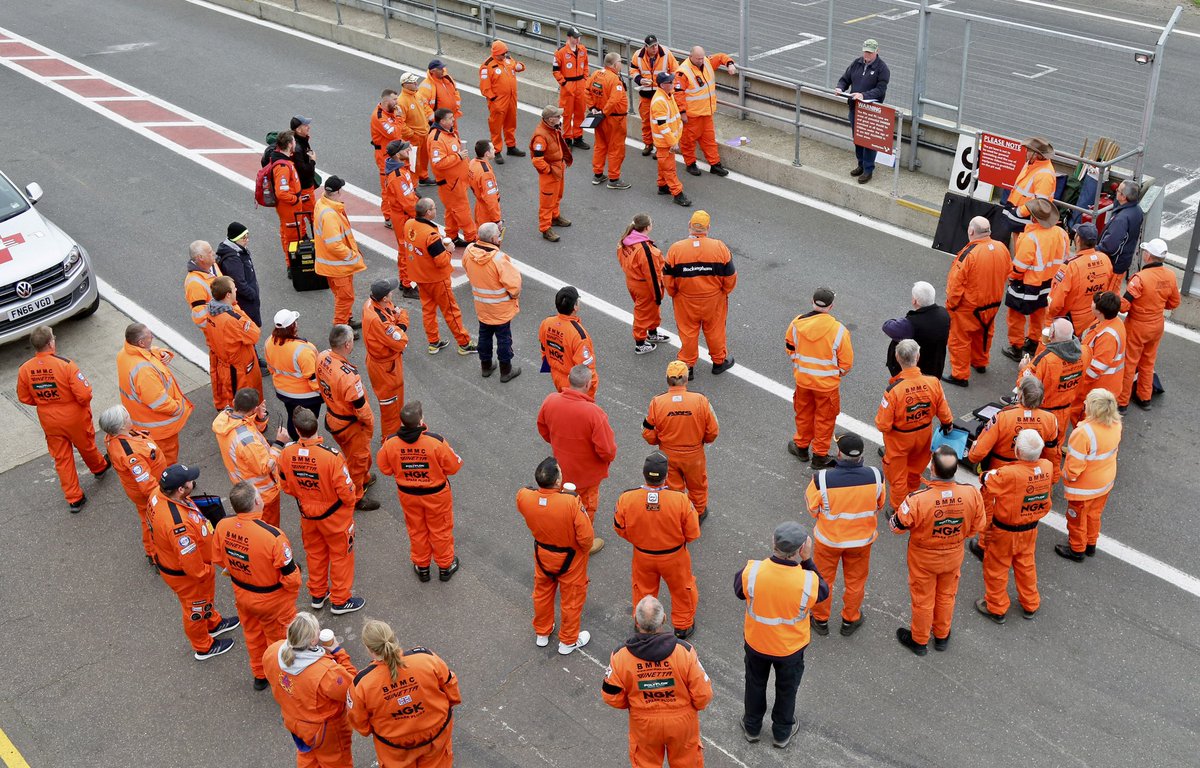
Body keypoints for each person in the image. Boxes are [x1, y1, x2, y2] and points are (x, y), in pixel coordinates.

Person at [734, 521, 827, 749]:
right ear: (800, 550)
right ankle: (781, 733)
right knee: (787, 689)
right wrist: (808, 560)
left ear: (773, 543)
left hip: (757, 643)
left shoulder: (753, 571)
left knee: (755, 684)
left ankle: (752, 727)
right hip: (790, 649)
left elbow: (738, 590)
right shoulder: (808, 580)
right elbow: (823, 593)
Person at [888, 447, 985, 655]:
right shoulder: (971, 493)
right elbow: (978, 526)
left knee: (923, 599)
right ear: (956, 469)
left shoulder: (917, 499)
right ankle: (941, 635)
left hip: (923, 557)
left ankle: (919, 640)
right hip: (954, 554)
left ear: (932, 467)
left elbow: (895, 527)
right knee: (947, 595)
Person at [279, 407, 369, 618]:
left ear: (297, 431)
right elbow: (347, 491)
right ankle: (340, 599)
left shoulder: (287, 453)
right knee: (341, 556)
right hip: (335, 518)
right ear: (316, 427)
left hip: (308, 516)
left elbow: (286, 485)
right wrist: (347, 507)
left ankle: (318, 595)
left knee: (315, 554)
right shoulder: (332, 457)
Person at [602, 595, 713, 766]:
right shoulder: (685, 651)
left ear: (636, 621)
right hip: (682, 723)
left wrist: (636, 704)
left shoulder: (620, 656)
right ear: (664, 619)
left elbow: (611, 695)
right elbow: (703, 694)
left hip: (644, 723)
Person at [212, 481, 302, 690]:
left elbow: (218, 559)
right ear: (256, 501)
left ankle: (260, 675)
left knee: (252, 634)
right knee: (280, 641)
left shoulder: (223, 526)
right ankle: (283, 681)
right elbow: (291, 579)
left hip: (243, 594)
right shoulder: (273, 536)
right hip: (272, 601)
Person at [148, 463, 240, 660]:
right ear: (181, 489)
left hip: (180, 565)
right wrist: (205, 572)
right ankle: (203, 646)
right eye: (189, 481)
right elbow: (190, 562)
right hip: (189, 575)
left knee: (203, 601)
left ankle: (213, 623)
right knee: (195, 608)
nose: (193, 482)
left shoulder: (160, 493)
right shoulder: (177, 525)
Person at [17, 325, 110, 513]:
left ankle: (74, 498)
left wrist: (46, 402)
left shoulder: (25, 369)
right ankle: (99, 468)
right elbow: (84, 395)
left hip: (48, 418)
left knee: (62, 457)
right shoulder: (65, 365)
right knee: (86, 445)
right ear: (50, 342)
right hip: (73, 415)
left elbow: (24, 397)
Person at [964, 377, 1058, 560]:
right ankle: (1018, 546)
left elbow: (977, 453)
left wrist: (972, 453)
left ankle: (985, 546)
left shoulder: (1003, 416)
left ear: (1021, 394)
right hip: (1031, 472)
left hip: (1000, 470)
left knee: (990, 510)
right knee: (1023, 509)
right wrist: (1051, 479)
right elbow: (1052, 454)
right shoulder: (1050, 420)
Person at [349, 619, 462, 766]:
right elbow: (450, 686)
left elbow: (360, 723)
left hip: (395, 747)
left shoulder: (362, 684)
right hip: (437, 733)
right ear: (393, 637)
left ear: (368, 648)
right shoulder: (425, 658)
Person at [614, 453, 702, 639]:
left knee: (643, 591)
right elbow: (693, 532)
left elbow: (620, 528)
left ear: (644, 474)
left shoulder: (627, 498)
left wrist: (640, 541)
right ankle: (682, 626)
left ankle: (642, 624)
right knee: (682, 590)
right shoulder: (680, 500)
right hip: (674, 556)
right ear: (666, 475)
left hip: (642, 555)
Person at [804, 433, 883, 638]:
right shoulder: (876, 476)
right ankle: (850, 619)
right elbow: (880, 504)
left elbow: (812, 509)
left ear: (839, 453)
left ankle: (820, 620)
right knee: (855, 582)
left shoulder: (821, 479)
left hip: (829, 541)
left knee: (823, 580)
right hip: (861, 542)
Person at [516, 457, 595, 654]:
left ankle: (542, 632)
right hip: (570, 559)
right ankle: (568, 641)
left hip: (543, 554)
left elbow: (532, 499)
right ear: (558, 481)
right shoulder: (571, 503)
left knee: (542, 593)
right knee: (572, 599)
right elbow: (586, 539)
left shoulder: (524, 497)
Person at [378, 401, 464, 582]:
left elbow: (385, 468)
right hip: (436, 495)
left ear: (402, 422)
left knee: (416, 529)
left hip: (408, 495)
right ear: (421, 420)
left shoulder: (390, 442)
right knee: (440, 529)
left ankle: (423, 567)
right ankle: (445, 566)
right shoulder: (435, 441)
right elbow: (454, 466)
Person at [974, 430, 1053, 624]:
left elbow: (986, 480)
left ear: (1017, 451)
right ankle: (1030, 603)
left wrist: (988, 473)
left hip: (1005, 531)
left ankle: (996, 607)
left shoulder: (1008, 474)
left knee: (997, 569)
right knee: (1026, 565)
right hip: (1030, 528)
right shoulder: (1047, 466)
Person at [537, 364, 617, 552]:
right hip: (586, 475)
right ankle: (584, 543)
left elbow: (543, 428)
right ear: (588, 384)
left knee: (564, 504)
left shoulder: (550, 401)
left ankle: (564, 532)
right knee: (585, 508)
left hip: (561, 470)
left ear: (569, 380)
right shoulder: (594, 413)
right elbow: (607, 450)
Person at [262, 613, 357, 767]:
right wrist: (338, 651)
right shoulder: (326, 672)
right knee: (336, 761)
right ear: (313, 640)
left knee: (308, 757)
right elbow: (353, 689)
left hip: (293, 720)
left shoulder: (273, 651)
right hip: (323, 730)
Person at [875, 340, 953, 510]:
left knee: (898, 477)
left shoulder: (893, 390)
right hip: (924, 435)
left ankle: (900, 509)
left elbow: (883, 424)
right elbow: (944, 410)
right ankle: (912, 499)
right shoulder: (933, 382)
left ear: (897, 358)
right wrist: (947, 423)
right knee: (915, 471)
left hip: (899, 440)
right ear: (918, 356)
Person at [785, 287, 854, 469]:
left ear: (812, 301)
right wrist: (835, 373)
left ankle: (801, 448)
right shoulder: (839, 331)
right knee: (825, 420)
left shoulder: (797, 323)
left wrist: (802, 366)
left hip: (803, 381)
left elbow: (790, 348)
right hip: (827, 387)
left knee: (803, 414)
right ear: (831, 306)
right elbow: (846, 363)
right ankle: (819, 456)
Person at [643, 360, 720, 518]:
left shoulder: (657, 402)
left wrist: (659, 442)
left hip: (668, 455)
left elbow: (647, 431)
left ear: (667, 379)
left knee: (673, 490)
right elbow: (713, 430)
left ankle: (677, 515)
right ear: (686, 379)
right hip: (694, 455)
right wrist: (702, 441)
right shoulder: (700, 400)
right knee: (697, 487)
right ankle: (697, 514)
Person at [664, 210, 737, 377]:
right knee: (715, 330)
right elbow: (730, 276)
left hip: (685, 300)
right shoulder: (719, 247)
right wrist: (724, 291)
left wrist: (674, 293)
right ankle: (719, 362)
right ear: (708, 228)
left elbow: (668, 278)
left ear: (690, 226)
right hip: (713, 299)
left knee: (688, 332)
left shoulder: (676, 249)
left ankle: (687, 367)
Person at [1056, 388, 1122, 562]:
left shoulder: (1083, 433)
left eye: (1087, 402)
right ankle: (1091, 543)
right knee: (1094, 515)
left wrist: (1067, 477)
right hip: (1105, 482)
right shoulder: (1116, 424)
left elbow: (1074, 466)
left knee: (1076, 518)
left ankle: (1077, 549)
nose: (1084, 403)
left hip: (1085, 488)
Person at [404, 197, 477, 355]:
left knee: (428, 310)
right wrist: (449, 250)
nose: (437, 210)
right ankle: (464, 343)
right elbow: (441, 261)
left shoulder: (409, 224)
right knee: (451, 311)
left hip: (420, 277)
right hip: (437, 279)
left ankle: (433, 342)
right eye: (434, 208)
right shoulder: (431, 235)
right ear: (428, 212)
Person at [944, 216, 1009, 386]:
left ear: (971, 231)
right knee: (985, 333)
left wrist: (951, 306)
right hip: (993, 305)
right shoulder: (1002, 248)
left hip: (969, 307)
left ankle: (960, 375)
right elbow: (1007, 272)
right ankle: (980, 362)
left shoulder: (968, 254)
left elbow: (955, 284)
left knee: (959, 339)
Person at [316, 324, 376, 506]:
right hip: (350, 425)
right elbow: (361, 409)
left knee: (355, 455)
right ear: (348, 344)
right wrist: (369, 423)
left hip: (333, 418)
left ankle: (364, 478)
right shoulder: (349, 378)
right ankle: (357, 497)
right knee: (357, 460)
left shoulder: (322, 357)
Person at [99, 404, 168, 562]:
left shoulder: (114, 436)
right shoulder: (131, 455)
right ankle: (153, 553)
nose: (130, 416)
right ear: (122, 425)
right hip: (147, 492)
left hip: (142, 485)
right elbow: (145, 483)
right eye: (127, 415)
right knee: (150, 519)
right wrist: (163, 497)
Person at [117, 323, 194, 464]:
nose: (152, 337)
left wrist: (162, 353)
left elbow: (148, 353)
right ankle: (171, 483)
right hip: (159, 427)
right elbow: (159, 402)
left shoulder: (125, 353)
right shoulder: (144, 372)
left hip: (143, 420)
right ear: (141, 342)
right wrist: (178, 408)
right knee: (167, 459)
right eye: (149, 336)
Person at [1002, 197, 1068, 360]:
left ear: (1033, 217)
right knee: (1039, 313)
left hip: (1028, 284)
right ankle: (1033, 342)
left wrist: (1011, 277)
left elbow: (1019, 267)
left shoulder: (1030, 238)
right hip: (1050, 283)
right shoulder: (1061, 233)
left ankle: (1016, 347)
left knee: (1016, 315)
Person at [1119, 238, 1180, 411]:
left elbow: (1124, 306)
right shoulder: (1170, 275)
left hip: (1137, 326)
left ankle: (1122, 402)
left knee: (1129, 363)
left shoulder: (1139, 279)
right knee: (1148, 362)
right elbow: (1174, 302)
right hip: (1157, 325)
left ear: (1148, 255)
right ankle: (1144, 397)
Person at [211, 387, 287, 527]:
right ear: (253, 409)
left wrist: (259, 417)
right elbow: (265, 466)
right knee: (269, 527)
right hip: (263, 493)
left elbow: (247, 425)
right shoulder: (247, 441)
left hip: (243, 482)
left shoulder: (225, 419)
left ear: (234, 402)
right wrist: (279, 444)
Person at [1015, 317, 1088, 449]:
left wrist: (1022, 369)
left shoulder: (1045, 360)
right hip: (1065, 411)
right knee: (1055, 448)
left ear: (1051, 334)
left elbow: (1027, 386)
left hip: (1043, 414)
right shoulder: (1084, 353)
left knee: (1033, 447)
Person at [464, 222, 522, 381]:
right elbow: (514, 286)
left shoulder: (469, 251)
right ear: (494, 238)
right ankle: (506, 371)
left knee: (484, 336)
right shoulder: (499, 259)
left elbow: (468, 271)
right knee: (504, 339)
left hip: (482, 306)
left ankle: (486, 366)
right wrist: (513, 296)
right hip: (501, 309)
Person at [673, 46, 736, 177]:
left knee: (709, 140)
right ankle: (690, 164)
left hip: (706, 112)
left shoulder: (706, 62)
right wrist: (682, 113)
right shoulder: (683, 72)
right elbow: (678, 94)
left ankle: (715, 164)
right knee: (688, 141)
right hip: (692, 115)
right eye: (698, 59)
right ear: (691, 57)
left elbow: (720, 57)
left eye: (702, 58)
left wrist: (730, 64)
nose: (701, 61)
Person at [313, 175, 367, 329]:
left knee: (342, 295)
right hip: (337, 265)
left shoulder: (322, 204)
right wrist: (351, 255)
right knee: (345, 297)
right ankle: (341, 327)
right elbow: (334, 245)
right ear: (336, 193)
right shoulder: (330, 214)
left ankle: (347, 320)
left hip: (333, 264)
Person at [835, 39, 890, 184]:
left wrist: (864, 95)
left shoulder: (882, 68)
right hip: (855, 108)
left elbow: (880, 90)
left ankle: (868, 169)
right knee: (858, 139)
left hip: (871, 110)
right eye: (866, 51)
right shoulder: (856, 63)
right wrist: (840, 87)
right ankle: (860, 164)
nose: (867, 54)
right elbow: (845, 79)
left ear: (877, 51)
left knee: (869, 141)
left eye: (870, 52)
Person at [361, 278, 410, 437]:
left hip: (384, 363)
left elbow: (398, 312)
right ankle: (389, 444)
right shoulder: (379, 320)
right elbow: (401, 341)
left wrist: (399, 320)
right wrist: (401, 325)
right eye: (390, 292)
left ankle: (395, 435)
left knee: (396, 406)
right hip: (386, 368)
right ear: (384, 298)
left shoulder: (374, 303)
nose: (393, 293)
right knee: (391, 409)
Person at [618, 213, 672, 354]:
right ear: (647, 227)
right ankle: (640, 343)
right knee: (643, 314)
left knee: (650, 310)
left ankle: (652, 333)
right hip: (645, 287)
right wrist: (658, 294)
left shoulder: (626, 240)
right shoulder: (646, 250)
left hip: (633, 282)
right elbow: (652, 276)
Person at [264, 309, 323, 440]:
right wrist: (323, 394)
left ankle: (296, 441)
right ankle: (307, 443)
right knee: (308, 422)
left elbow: (271, 368)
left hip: (283, 393)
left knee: (292, 416)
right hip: (307, 397)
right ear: (293, 326)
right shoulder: (304, 350)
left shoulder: (269, 342)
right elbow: (313, 379)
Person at [1047, 223, 1112, 337]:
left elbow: (1056, 302)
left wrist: (1050, 315)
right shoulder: (1105, 259)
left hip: (1069, 319)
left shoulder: (1070, 266)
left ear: (1078, 239)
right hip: (1092, 315)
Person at [183, 239, 226, 408]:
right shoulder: (194, 283)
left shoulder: (212, 267)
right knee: (220, 369)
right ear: (200, 258)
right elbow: (200, 318)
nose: (213, 253)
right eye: (209, 252)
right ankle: (222, 403)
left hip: (227, 326)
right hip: (217, 333)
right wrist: (220, 328)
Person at [206, 276, 264, 403]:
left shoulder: (210, 311)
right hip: (240, 369)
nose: (236, 289)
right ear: (228, 295)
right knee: (247, 401)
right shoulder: (232, 319)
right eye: (234, 288)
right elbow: (255, 334)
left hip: (225, 365)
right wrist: (237, 310)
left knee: (232, 398)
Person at [427, 107, 477, 245]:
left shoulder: (449, 132)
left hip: (457, 181)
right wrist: (458, 156)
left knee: (451, 210)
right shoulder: (437, 139)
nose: (453, 120)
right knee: (462, 210)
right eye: (450, 118)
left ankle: (452, 236)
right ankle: (472, 238)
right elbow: (438, 163)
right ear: (442, 121)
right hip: (450, 183)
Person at [1073, 291, 1126, 421]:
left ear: (1099, 312)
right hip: (1104, 385)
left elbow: (1095, 369)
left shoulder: (1107, 337)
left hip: (1097, 388)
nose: (1091, 303)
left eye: (1093, 302)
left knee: (1084, 420)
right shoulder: (1112, 321)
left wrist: (1077, 383)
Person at [539, 286, 598, 396]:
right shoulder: (579, 335)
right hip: (575, 384)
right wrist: (591, 390)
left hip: (556, 376)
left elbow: (544, 349)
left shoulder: (546, 323)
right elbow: (586, 369)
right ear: (575, 307)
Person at [883, 281, 950, 379]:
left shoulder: (911, 324)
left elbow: (887, 326)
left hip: (912, 374)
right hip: (935, 368)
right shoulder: (944, 313)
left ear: (914, 301)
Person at [382, 139, 421, 298]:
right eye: (405, 149)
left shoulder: (399, 169)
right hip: (404, 218)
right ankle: (407, 286)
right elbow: (407, 203)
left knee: (405, 250)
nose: (408, 150)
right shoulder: (397, 175)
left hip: (403, 216)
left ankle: (404, 279)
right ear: (398, 154)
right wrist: (420, 215)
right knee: (407, 251)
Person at [586, 52, 631, 189]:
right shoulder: (614, 80)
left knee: (600, 146)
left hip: (599, 118)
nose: (621, 64)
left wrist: (593, 107)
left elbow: (586, 90)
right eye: (620, 62)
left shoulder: (596, 74)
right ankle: (614, 178)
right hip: (614, 119)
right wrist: (604, 112)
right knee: (616, 148)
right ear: (615, 64)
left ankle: (598, 174)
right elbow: (614, 100)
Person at [264, 131, 311, 261]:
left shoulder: (284, 160)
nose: (295, 143)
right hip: (289, 208)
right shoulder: (283, 166)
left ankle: (293, 263)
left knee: (291, 234)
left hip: (290, 207)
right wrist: (295, 199)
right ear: (290, 144)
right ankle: (293, 265)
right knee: (292, 238)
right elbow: (282, 192)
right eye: (294, 141)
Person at [531, 104, 574, 242]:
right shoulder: (540, 136)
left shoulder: (552, 128)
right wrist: (549, 170)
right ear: (550, 119)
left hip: (557, 169)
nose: (560, 117)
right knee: (547, 201)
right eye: (557, 116)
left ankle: (555, 217)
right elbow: (537, 160)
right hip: (550, 172)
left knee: (557, 195)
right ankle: (545, 228)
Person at [630, 35, 678, 156]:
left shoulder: (666, 53)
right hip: (646, 95)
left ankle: (659, 147)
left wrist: (670, 89)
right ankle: (648, 143)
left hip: (661, 96)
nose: (655, 48)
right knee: (646, 121)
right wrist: (640, 80)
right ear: (645, 47)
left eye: (656, 45)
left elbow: (675, 71)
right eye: (652, 46)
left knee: (661, 123)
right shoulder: (637, 55)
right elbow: (633, 70)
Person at [650, 72, 691, 207]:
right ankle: (677, 193)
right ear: (663, 85)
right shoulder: (660, 101)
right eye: (670, 82)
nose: (673, 83)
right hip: (665, 142)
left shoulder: (668, 95)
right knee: (669, 169)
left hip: (668, 140)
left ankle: (662, 186)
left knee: (664, 165)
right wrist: (673, 142)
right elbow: (663, 126)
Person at [480, 40, 525, 161]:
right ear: (495, 53)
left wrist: (520, 66)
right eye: (502, 54)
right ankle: (496, 150)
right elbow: (485, 88)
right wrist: (494, 99)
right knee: (496, 127)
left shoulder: (508, 60)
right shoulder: (487, 66)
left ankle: (511, 146)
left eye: (505, 53)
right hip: (498, 102)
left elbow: (516, 66)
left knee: (511, 123)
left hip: (511, 99)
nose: (504, 56)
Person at [215, 222, 263, 334]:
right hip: (245, 303)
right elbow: (240, 284)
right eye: (243, 238)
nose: (247, 240)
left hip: (247, 300)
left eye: (247, 237)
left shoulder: (237, 250)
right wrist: (252, 295)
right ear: (235, 239)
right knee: (249, 332)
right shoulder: (233, 259)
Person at [1097, 179, 1144, 289]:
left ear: (1123, 197)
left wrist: (1097, 249)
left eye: (1118, 190)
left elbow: (1111, 245)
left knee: (1109, 295)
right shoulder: (1137, 210)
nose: (1115, 191)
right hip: (1123, 259)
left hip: (1115, 263)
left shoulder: (1122, 218)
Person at [1001, 137, 1056, 231]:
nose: (1026, 151)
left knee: (1019, 244)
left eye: (1029, 150)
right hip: (1016, 210)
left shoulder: (1045, 175)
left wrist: (1019, 212)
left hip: (1026, 218)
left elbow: (1040, 203)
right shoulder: (1031, 163)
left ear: (1037, 154)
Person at [553, 28, 590, 148]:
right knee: (567, 114)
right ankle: (567, 138)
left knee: (580, 112)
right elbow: (556, 71)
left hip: (580, 84)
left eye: (579, 37)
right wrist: (564, 83)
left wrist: (585, 78)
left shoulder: (583, 50)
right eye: (575, 37)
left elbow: (586, 65)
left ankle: (578, 137)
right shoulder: (560, 52)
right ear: (569, 37)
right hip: (568, 86)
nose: (577, 39)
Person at [370, 89, 402, 226]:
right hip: (384, 156)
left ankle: (396, 211)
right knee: (387, 187)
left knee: (397, 183)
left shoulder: (390, 112)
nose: (397, 102)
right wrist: (399, 118)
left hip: (394, 153)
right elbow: (394, 134)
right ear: (386, 101)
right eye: (394, 99)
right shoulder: (379, 117)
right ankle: (388, 217)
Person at [397, 73, 435, 184]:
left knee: (424, 158)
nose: (416, 83)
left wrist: (431, 116)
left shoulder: (417, 95)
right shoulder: (402, 101)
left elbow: (425, 107)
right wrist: (412, 135)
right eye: (413, 82)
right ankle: (413, 184)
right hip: (414, 137)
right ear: (405, 84)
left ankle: (423, 176)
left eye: (415, 81)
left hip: (424, 133)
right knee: (413, 162)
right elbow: (401, 123)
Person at [419, 59, 463, 134]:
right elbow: (424, 105)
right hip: (440, 122)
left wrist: (456, 108)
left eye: (442, 68)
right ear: (433, 71)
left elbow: (455, 92)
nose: (443, 70)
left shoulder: (447, 78)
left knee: (454, 137)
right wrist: (436, 119)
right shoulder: (426, 86)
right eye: (439, 69)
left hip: (451, 118)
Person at [467, 140, 503, 228]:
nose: (495, 150)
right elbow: (491, 198)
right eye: (493, 149)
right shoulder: (486, 173)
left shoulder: (472, 163)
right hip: (486, 211)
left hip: (479, 206)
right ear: (487, 154)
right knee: (489, 237)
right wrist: (497, 220)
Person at [290, 116, 318, 220]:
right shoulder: (298, 147)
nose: (309, 127)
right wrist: (313, 161)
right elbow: (304, 171)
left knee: (300, 215)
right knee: (313, 217)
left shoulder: (301, 140)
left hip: (302, 186)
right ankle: (317, 236)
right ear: (298, 129)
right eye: (305, 125)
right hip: (305, 188)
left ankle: (304, 235)